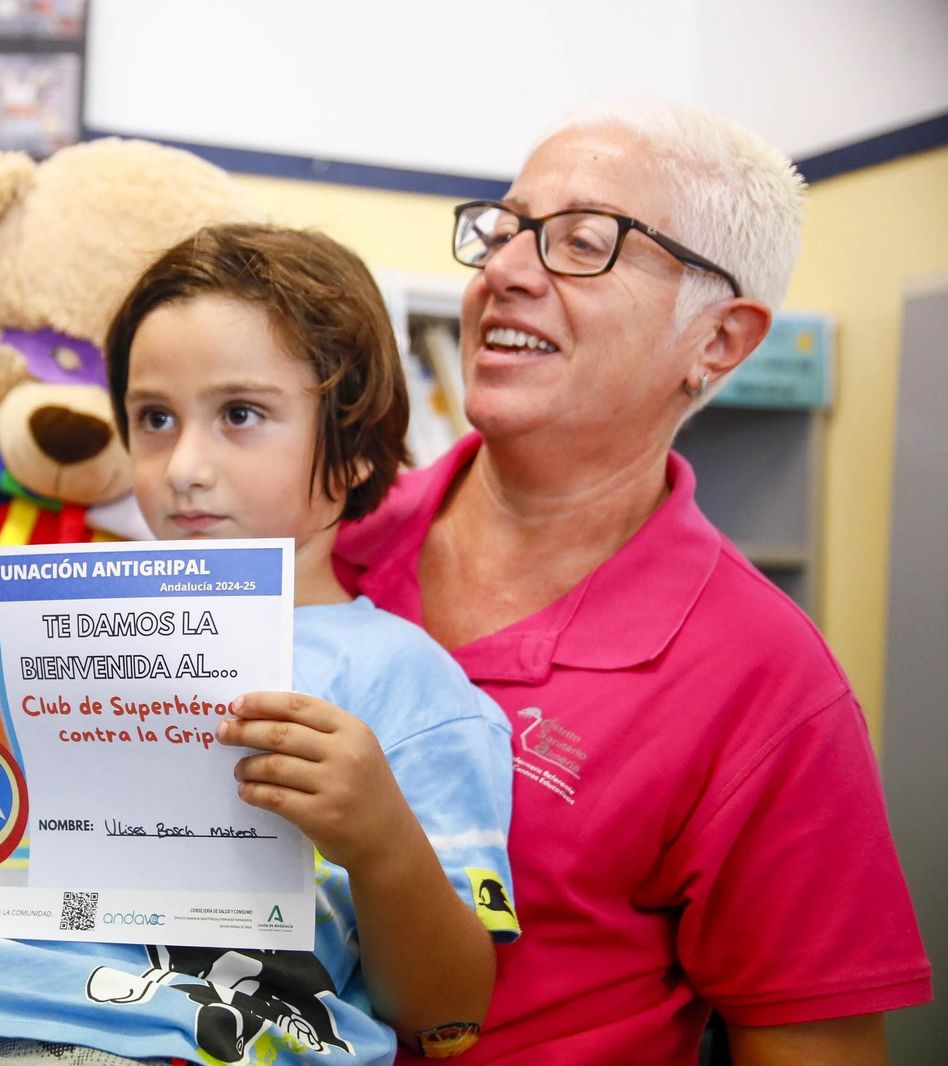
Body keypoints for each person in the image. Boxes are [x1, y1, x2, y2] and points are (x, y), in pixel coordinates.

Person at [0, 224, 518, 1066]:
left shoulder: (405, 682)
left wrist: (382, 840)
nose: (183, 464)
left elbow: (447, 1015)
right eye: (153, 418)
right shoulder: (49, 621)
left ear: (357, 450)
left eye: (241, 414)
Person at [331, 99, 931, 1065]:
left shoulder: (768, 685)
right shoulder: (326, 544)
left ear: (720, 341)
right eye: (506, 229)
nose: (505, 271)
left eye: (582, 242)